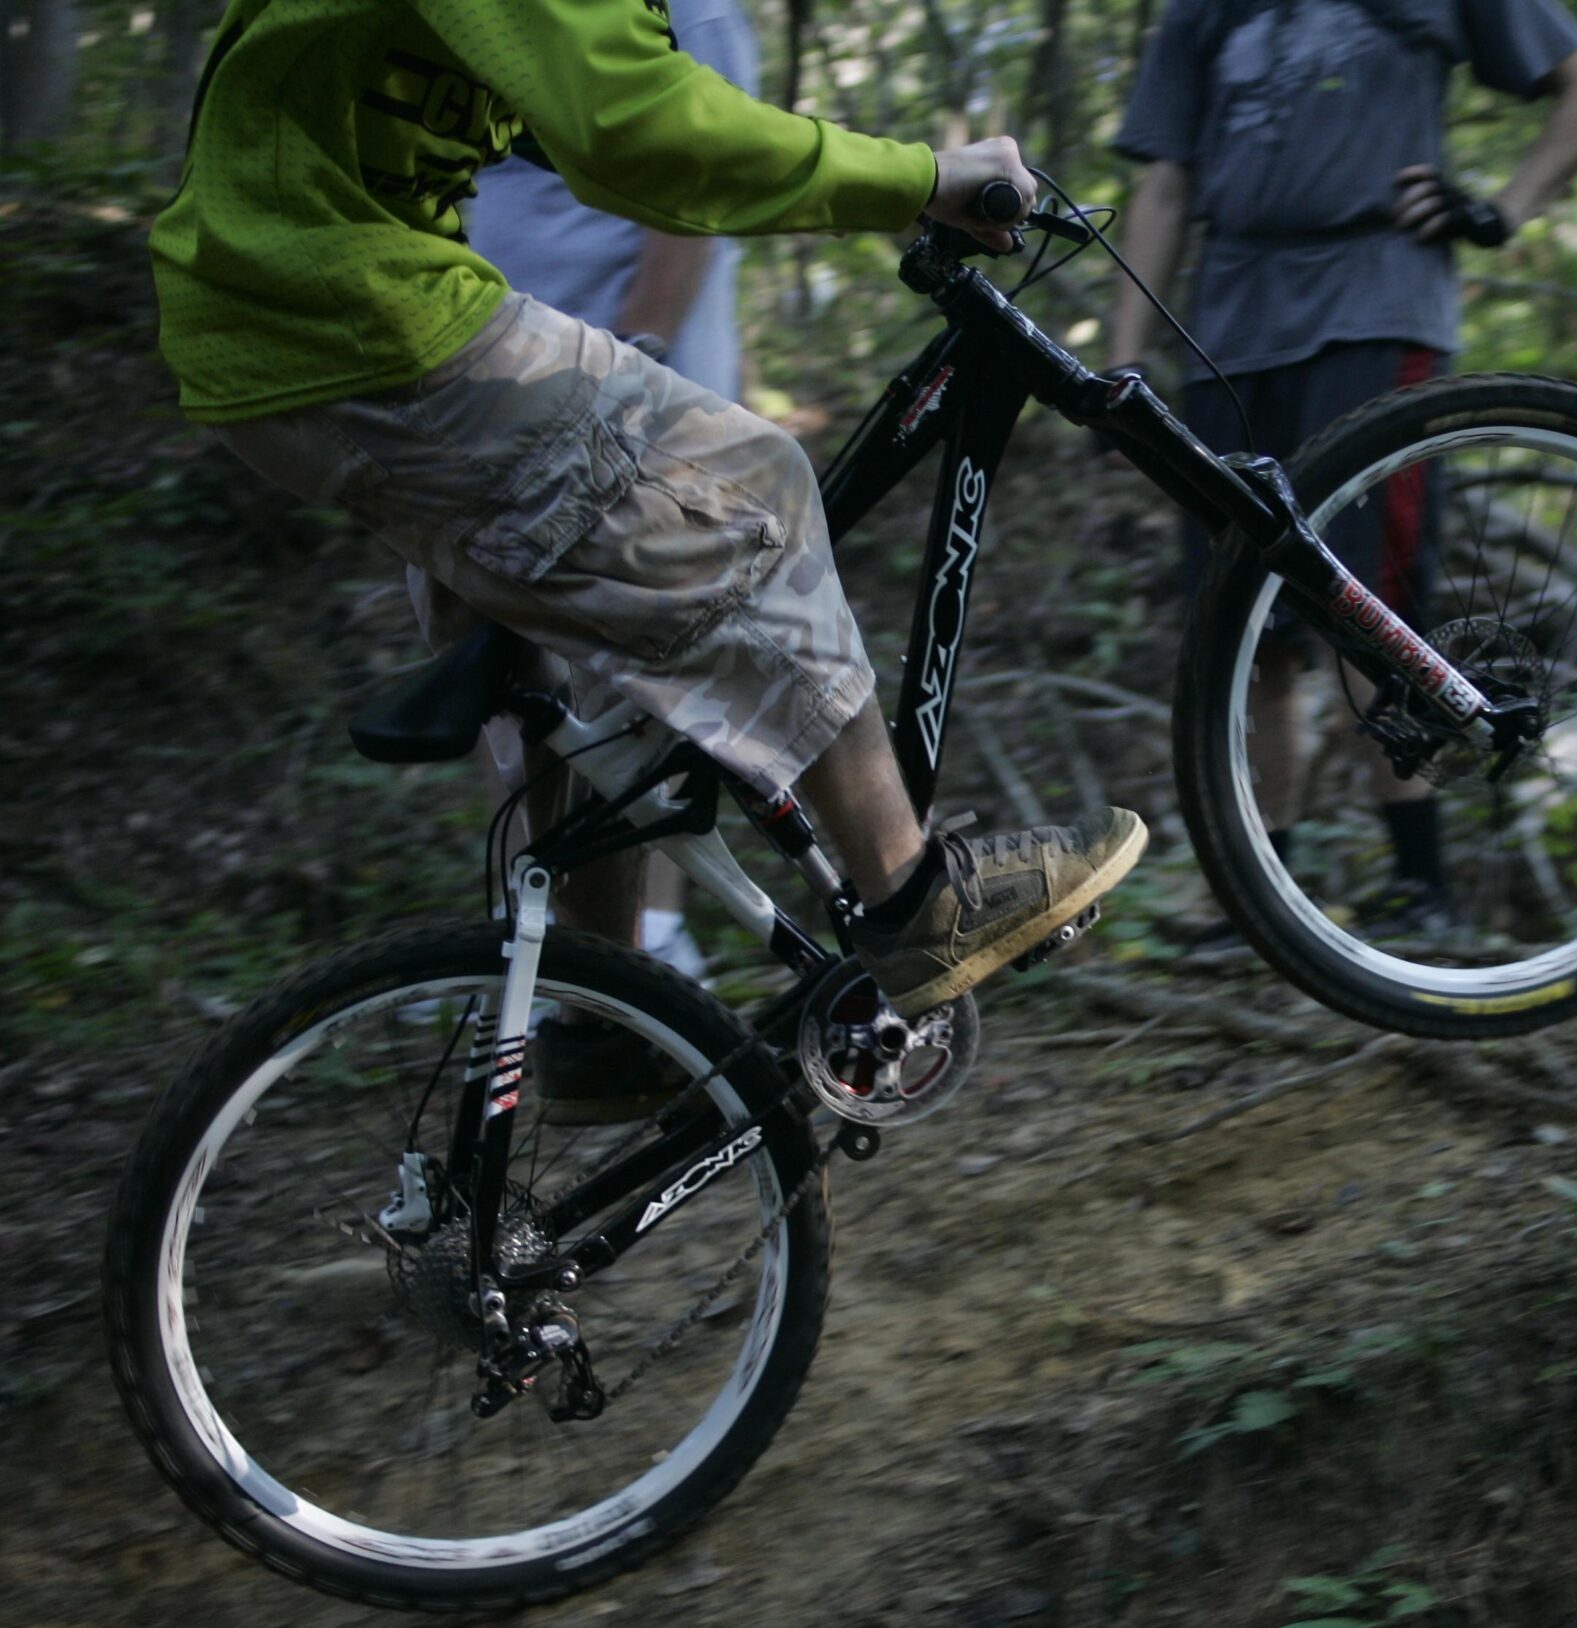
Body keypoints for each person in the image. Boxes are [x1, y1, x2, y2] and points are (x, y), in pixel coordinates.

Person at [151, 0, 1146, 1030]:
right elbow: (645, 135)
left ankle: (602, 1014)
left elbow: (609, 144)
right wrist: (919, 178)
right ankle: (911, 895)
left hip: (277, 323)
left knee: (575, 634)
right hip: (342, 304)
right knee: (753, 480)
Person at [1109, 0, 1577, 926]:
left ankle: (1419, 883)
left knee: (1367, 602)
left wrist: (1501, 210)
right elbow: (1165, 184)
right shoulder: (1201, 12)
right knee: (1243, 617)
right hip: (1228, 332)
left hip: (1377, 310)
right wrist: (1122, 355)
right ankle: (1260, 889)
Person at [450, 0, 762, 985]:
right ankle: (529, 950)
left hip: (627, 384)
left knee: (636, 674)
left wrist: (634, 369)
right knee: (505, 668)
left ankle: (649, 942)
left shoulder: (684, 6)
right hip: (486, 378)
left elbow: (695, 188)